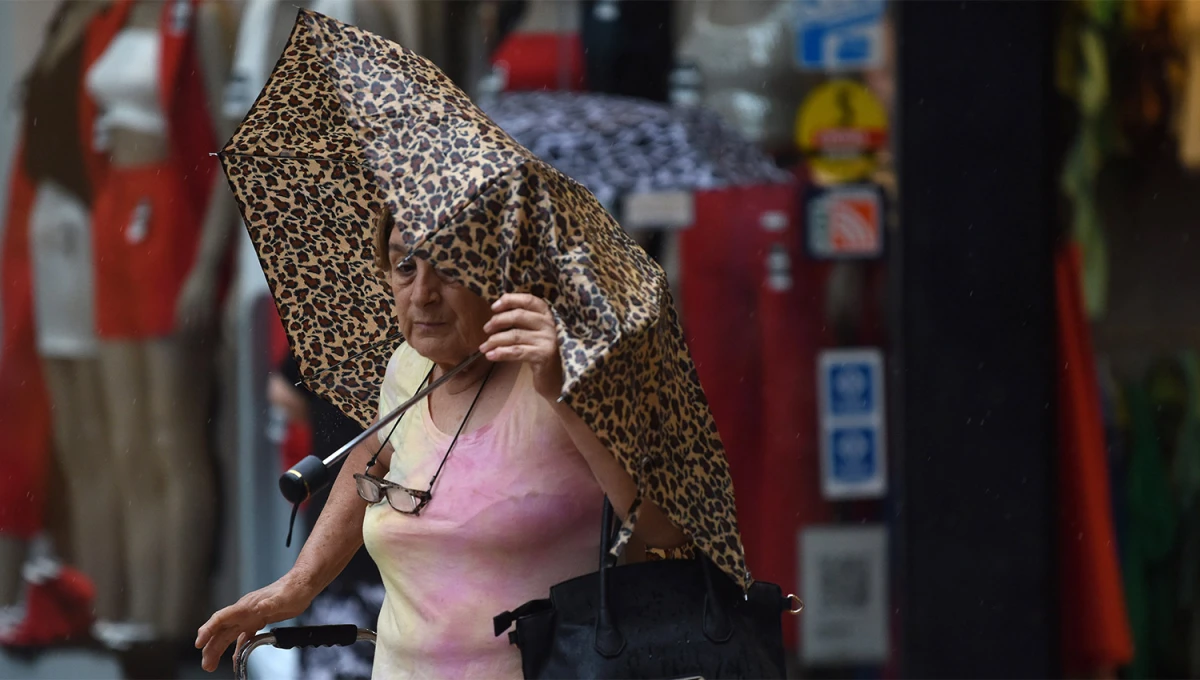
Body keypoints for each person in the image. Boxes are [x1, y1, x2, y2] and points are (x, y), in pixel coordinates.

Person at [196, 209, 687, 678]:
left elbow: (665, 530)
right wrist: (299, 584)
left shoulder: (578, 369)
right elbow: (375, 454)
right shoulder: (406, 368)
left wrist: (561, 385)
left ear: (502, 272)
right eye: (405, 265)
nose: (423, 293)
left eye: (451, 265)